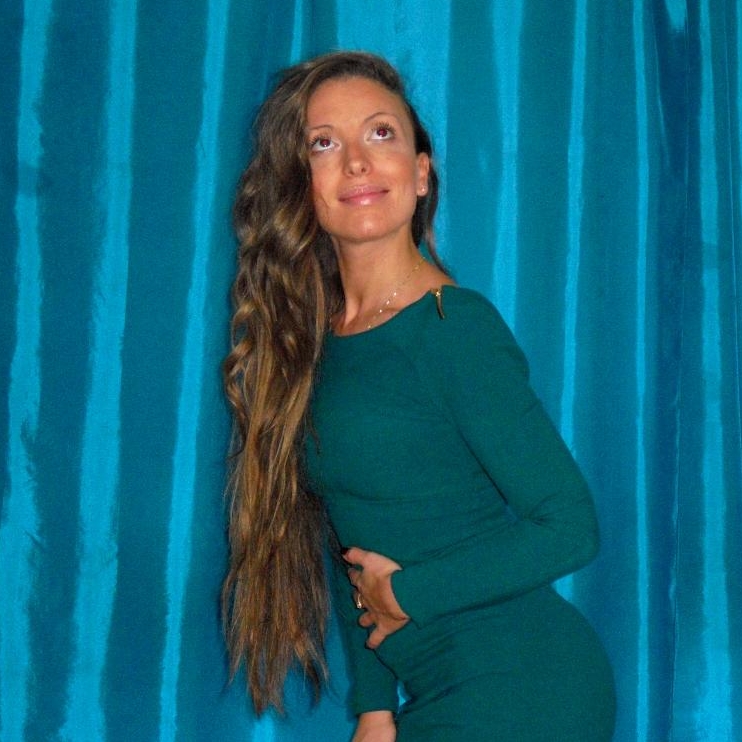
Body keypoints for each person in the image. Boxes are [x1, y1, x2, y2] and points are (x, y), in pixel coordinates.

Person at [222, 50, 616, 741]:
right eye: (323, 144)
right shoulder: (320, 346)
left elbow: (570, 526)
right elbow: (350, 537)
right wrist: (375, 708)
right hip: (436, 692)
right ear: (301, 184)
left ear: (421, 171)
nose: (357, 162)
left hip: (525, 685)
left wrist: (408, 592)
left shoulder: (452, 328)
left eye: (381, 134)